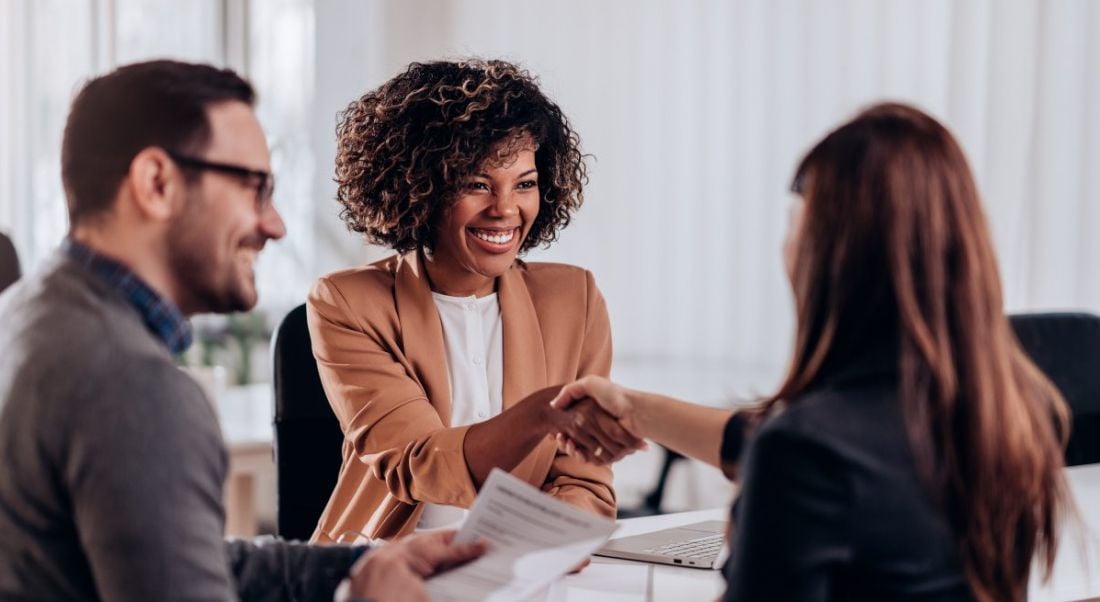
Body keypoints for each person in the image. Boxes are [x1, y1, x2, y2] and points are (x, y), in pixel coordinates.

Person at [0, 59, 484, 602]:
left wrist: (359, 563)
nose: (274, 224)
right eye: (254, 188)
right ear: (156, 183)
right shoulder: (132, 386)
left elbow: (174, 556)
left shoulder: (25, 311)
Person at [553, 103, 1070, 601]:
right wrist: (634, 410)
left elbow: (796, 454)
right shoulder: (1006, 416)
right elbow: (766, 442)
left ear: (834, 253)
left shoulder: (806, 451)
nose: (787, 244)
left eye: (797, 221)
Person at [308, 59, 639, 543]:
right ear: (419, 187)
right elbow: (418, 462)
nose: (506, 209)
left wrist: (545, 547)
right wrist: (543, 413)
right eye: (476, 184)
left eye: (525, 184)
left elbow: (583, 480)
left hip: (521, 571)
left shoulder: (575, 299)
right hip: (389, 567)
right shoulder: (348, 302)